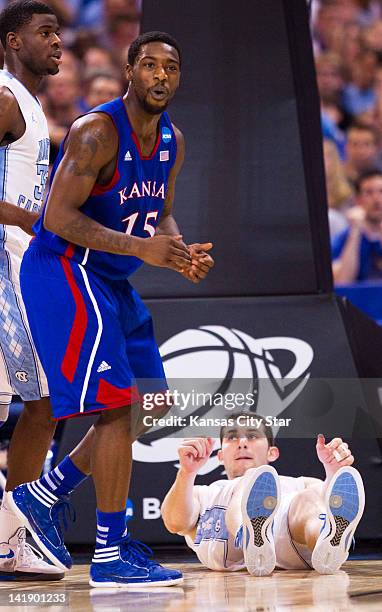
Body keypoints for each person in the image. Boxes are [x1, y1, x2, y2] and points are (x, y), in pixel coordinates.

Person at [8, 31, 214, 588]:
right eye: (148, 65)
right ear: (129, 71)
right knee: (117, 407)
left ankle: (43, 495)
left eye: (170, 68)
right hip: (66, 272)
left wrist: (178, 250)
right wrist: (140, 249)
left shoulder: (172, 139)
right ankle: (108, 552)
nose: (160, 76)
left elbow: (160, 214)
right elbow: (56, 218)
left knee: (153, 401)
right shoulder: (96, 131)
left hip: (111, 277)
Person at [0, 0, 67, 580]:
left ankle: (11, 534)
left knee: (40, 405)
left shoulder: (30, 103)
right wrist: (24, 219)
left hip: (24, 270)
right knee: (41, 404)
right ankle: (12, 535)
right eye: (44, 32)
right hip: (3, 272)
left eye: (59, 32)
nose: (56, 41)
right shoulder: (2, 96)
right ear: (12, 41)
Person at [161, 412, 364, 576]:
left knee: (310, 499)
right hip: (232, 544)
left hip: (290, 541)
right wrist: (186, 472)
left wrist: (331, 470)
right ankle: (250, 532)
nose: (242, 442)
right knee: (252, 478)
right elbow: (175, 523)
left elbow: (325, 498)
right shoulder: (202, 492)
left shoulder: (299, 483)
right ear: (220, 455)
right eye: (232, 437)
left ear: (272, 452)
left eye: (252, 436)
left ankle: (325, 539)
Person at [332, 169, 382, 283]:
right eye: (369, 193)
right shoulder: (343, 238)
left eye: (381, 191)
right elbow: (343, 281)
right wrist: (355, 232)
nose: (377, 199)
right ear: (358, 200)